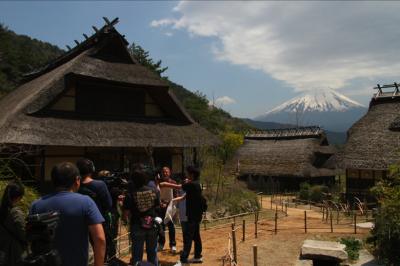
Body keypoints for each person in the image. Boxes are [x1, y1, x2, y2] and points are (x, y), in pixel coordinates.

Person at [30, 162, 106, 266]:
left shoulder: (36, 205)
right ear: (77, 180)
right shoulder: (86, 202)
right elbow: (99, 238)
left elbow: (32, 240)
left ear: (53, 181)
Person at [160, 166, 204, 265]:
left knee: (188, 237)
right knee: (196, 236)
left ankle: (183, 260)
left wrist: (165, 184)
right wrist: (174, 200)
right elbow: (184, 196)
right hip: (197, 215)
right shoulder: (197, 184)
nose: (187, 175)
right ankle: (197, 256)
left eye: (188, 173)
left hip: (192, 216)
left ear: (192, 174)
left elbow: (178, 187)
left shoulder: (192, 184)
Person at [76, 159, 113, 262]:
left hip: (78, 223)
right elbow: (108, 204)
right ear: (92, 169)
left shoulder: (74, 186)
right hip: (97, 223)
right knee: (99, 252)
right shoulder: (100, 185)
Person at [123, 169, 160, 266]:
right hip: (152, 224)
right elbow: (157, 207)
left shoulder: (130, 194)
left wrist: (126, 220)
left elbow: (126, 213)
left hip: (137, 225)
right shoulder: (154, 191)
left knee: (137, 254)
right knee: (152, 253)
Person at [0, 181, 26, 266]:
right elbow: (23, 234)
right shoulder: (16, 213)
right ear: (19, 197)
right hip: (14, 253)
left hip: (3, 253)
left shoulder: (2, 210)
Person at [158, 166, 177, 253]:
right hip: (160, 207)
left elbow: (176, 196)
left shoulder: (173, 182)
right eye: (163, 171)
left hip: (170, 207)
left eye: (167, 171)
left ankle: (173, 245)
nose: (165, 173)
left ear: (170, 173)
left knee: (171, 227)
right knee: (161, 227)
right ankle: (161, 244)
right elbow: (156, 195)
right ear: (161, 173)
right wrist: (160, 202)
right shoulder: (158, 183)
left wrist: (169, 203)